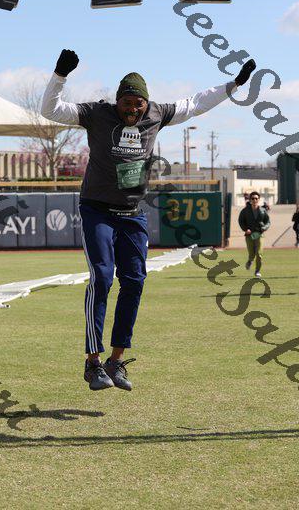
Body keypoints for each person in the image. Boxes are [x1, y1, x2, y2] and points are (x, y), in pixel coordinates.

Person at [41, 50, 256, 391]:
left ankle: (115, 361)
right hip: (98, 209)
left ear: (146, 103)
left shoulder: (157, 114)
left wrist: (234, 85)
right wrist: (59, 76)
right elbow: (51, 110)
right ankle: (92, 362)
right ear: (117, 101)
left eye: (137, 104)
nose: (132, 110)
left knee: (135, 282)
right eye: (126, 103)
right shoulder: (97, 114)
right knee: (101, 278)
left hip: (132, 213)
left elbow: (196, 103)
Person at [238, 191, 270, 277]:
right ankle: (250, 261)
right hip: (249, 235)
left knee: (259, 254)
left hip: (260, 234)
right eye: (252, 198)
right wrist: (245, 229)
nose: (254, 200)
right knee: (252, 254)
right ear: (250, 200)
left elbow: (268, 222)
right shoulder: (245, 211)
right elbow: (241, 221)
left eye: (256, 198)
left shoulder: (263, 210)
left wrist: (264, 228)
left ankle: (257, 271)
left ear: (259, 199)